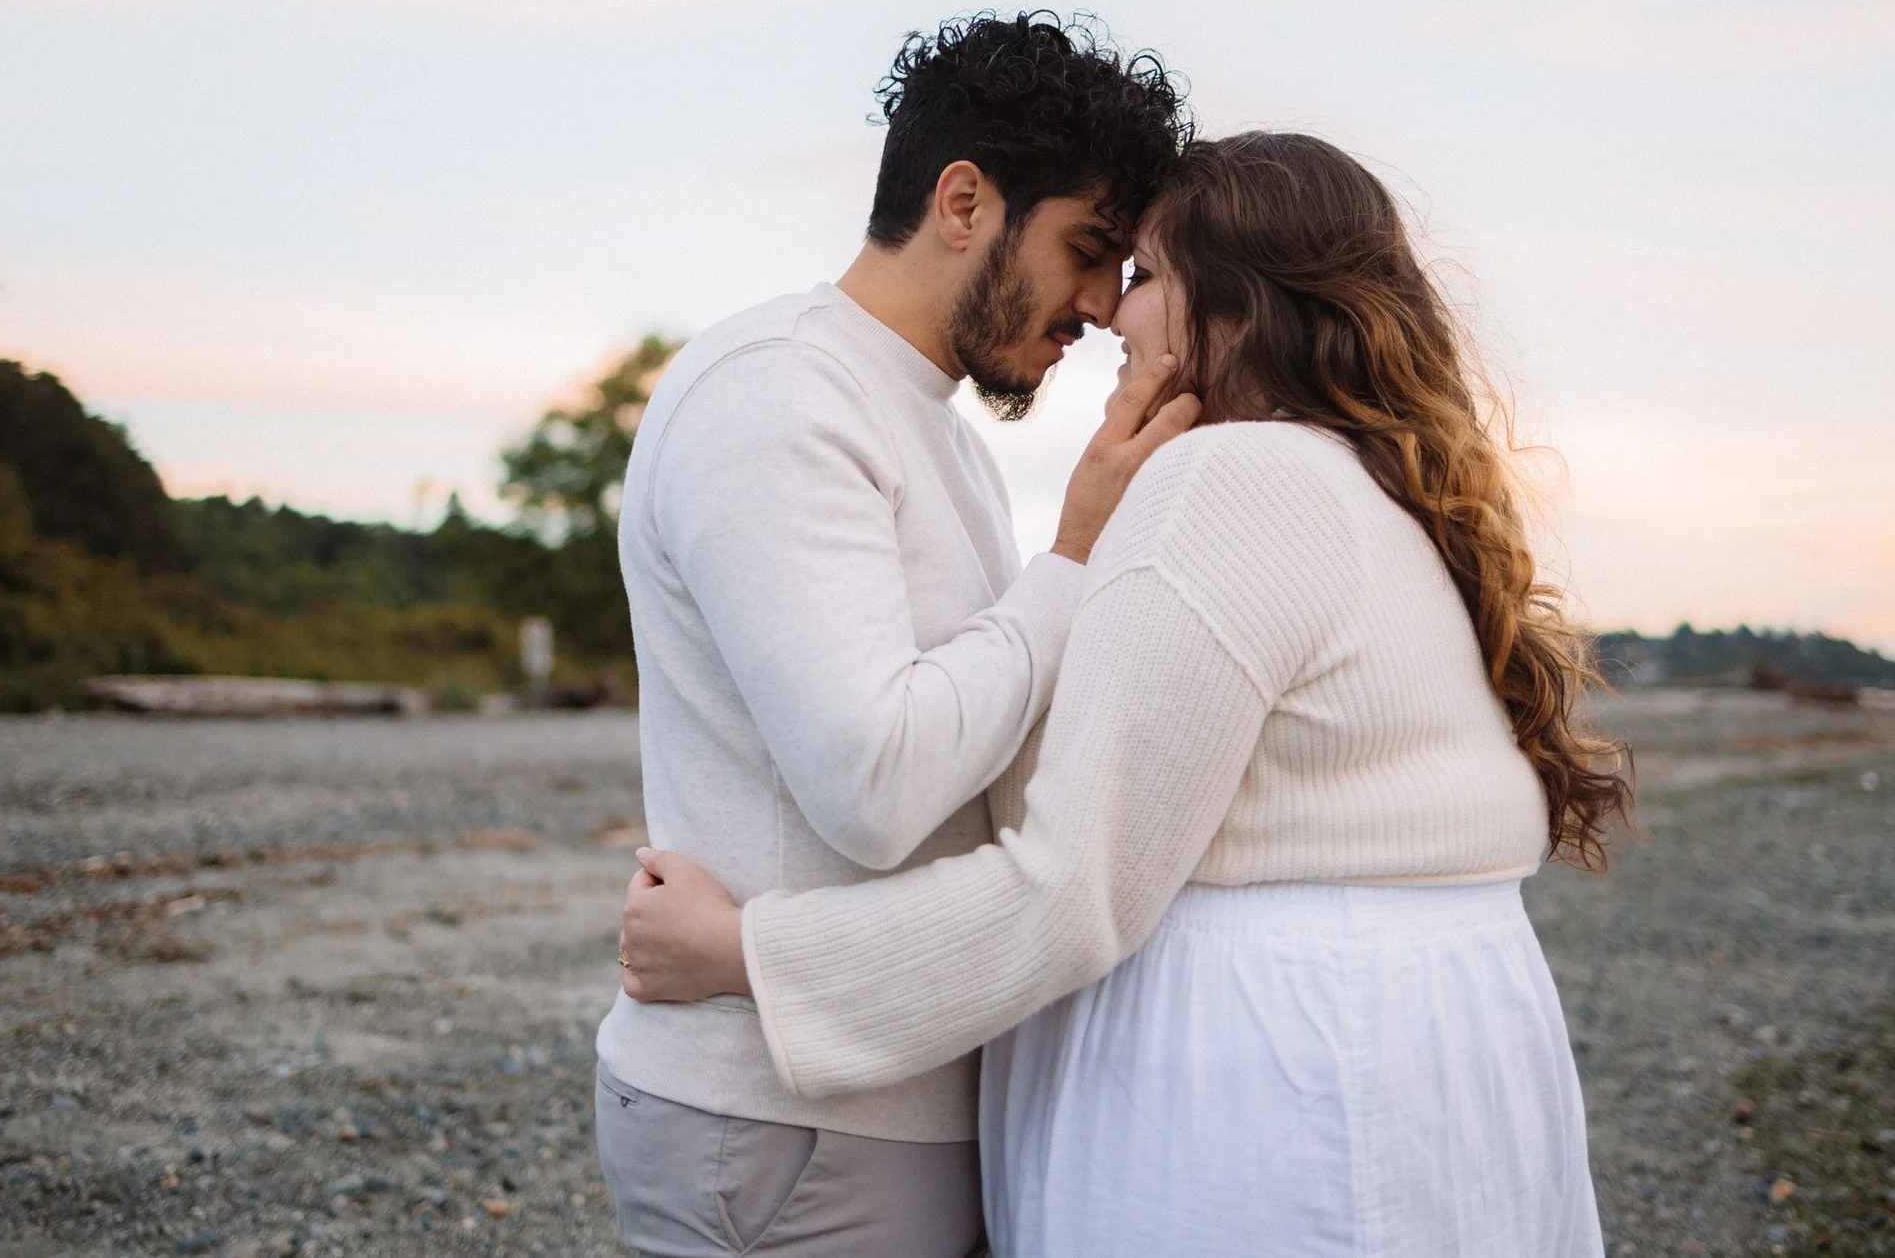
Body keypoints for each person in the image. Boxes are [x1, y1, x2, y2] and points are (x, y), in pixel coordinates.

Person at [619, 132, 1632, 1257]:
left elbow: (1068, 885)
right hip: (1435, 1060)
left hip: (1267, 1088)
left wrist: (746, 953)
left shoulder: (1225, 481)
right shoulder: (1377, 487)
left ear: (1238, 311)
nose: (1111, 309)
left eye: (1142, 271)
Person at [591, 11, 1199, 1258]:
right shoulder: (776, 396)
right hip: (782, 1120)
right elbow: (877, 782)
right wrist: (1074, 553)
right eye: (1088, 248)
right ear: (963, 200)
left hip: (873, 1106)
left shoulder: (937, 432)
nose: (1097, 303)